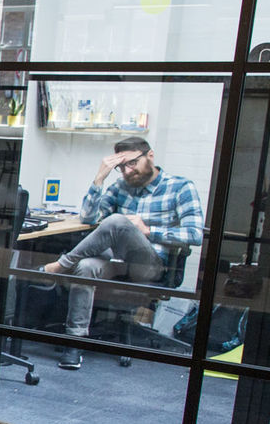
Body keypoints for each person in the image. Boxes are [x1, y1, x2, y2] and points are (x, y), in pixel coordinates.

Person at [41, 136, 204, 369]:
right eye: (121, 167)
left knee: (117, 220)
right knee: (85, 267)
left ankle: (61, 265)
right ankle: (74, 342)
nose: (127, 171)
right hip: (115, 261)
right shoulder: (120, 186)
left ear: (150, 156)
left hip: (150, 266)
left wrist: (148, 230)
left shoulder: (180, 187)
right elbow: (88, 218)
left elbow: (195, 234)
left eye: (132, 163)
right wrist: (100, 178)